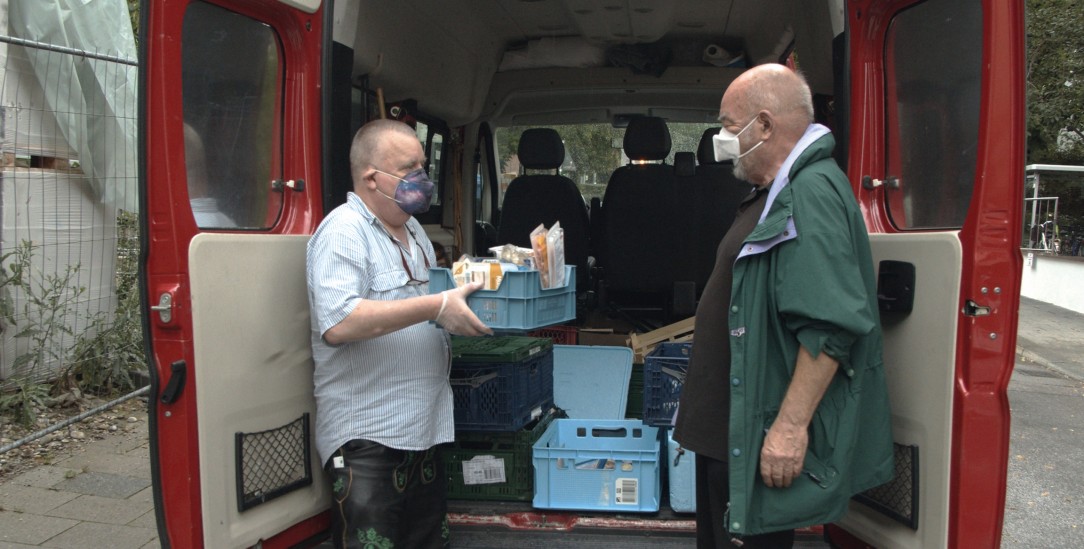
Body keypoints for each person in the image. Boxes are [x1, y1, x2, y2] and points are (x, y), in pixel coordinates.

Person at [673, 64, 893, 548]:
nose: (722, 139)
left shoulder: (809, 194)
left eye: (729, 127)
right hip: (730, 431)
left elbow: (831, 327)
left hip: (756, 433)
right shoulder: (777, 192)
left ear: (765, 126)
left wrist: (789, 430)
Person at [306, 119, 492, 549]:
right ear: (373, 178)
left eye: (423, 167)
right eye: (410, 169)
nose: (422, 180)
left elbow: (423, 308)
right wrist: (436, 305)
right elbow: (338, 323)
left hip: (420, 432)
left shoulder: (413, 232)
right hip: (368, 440)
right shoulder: (343, 232)